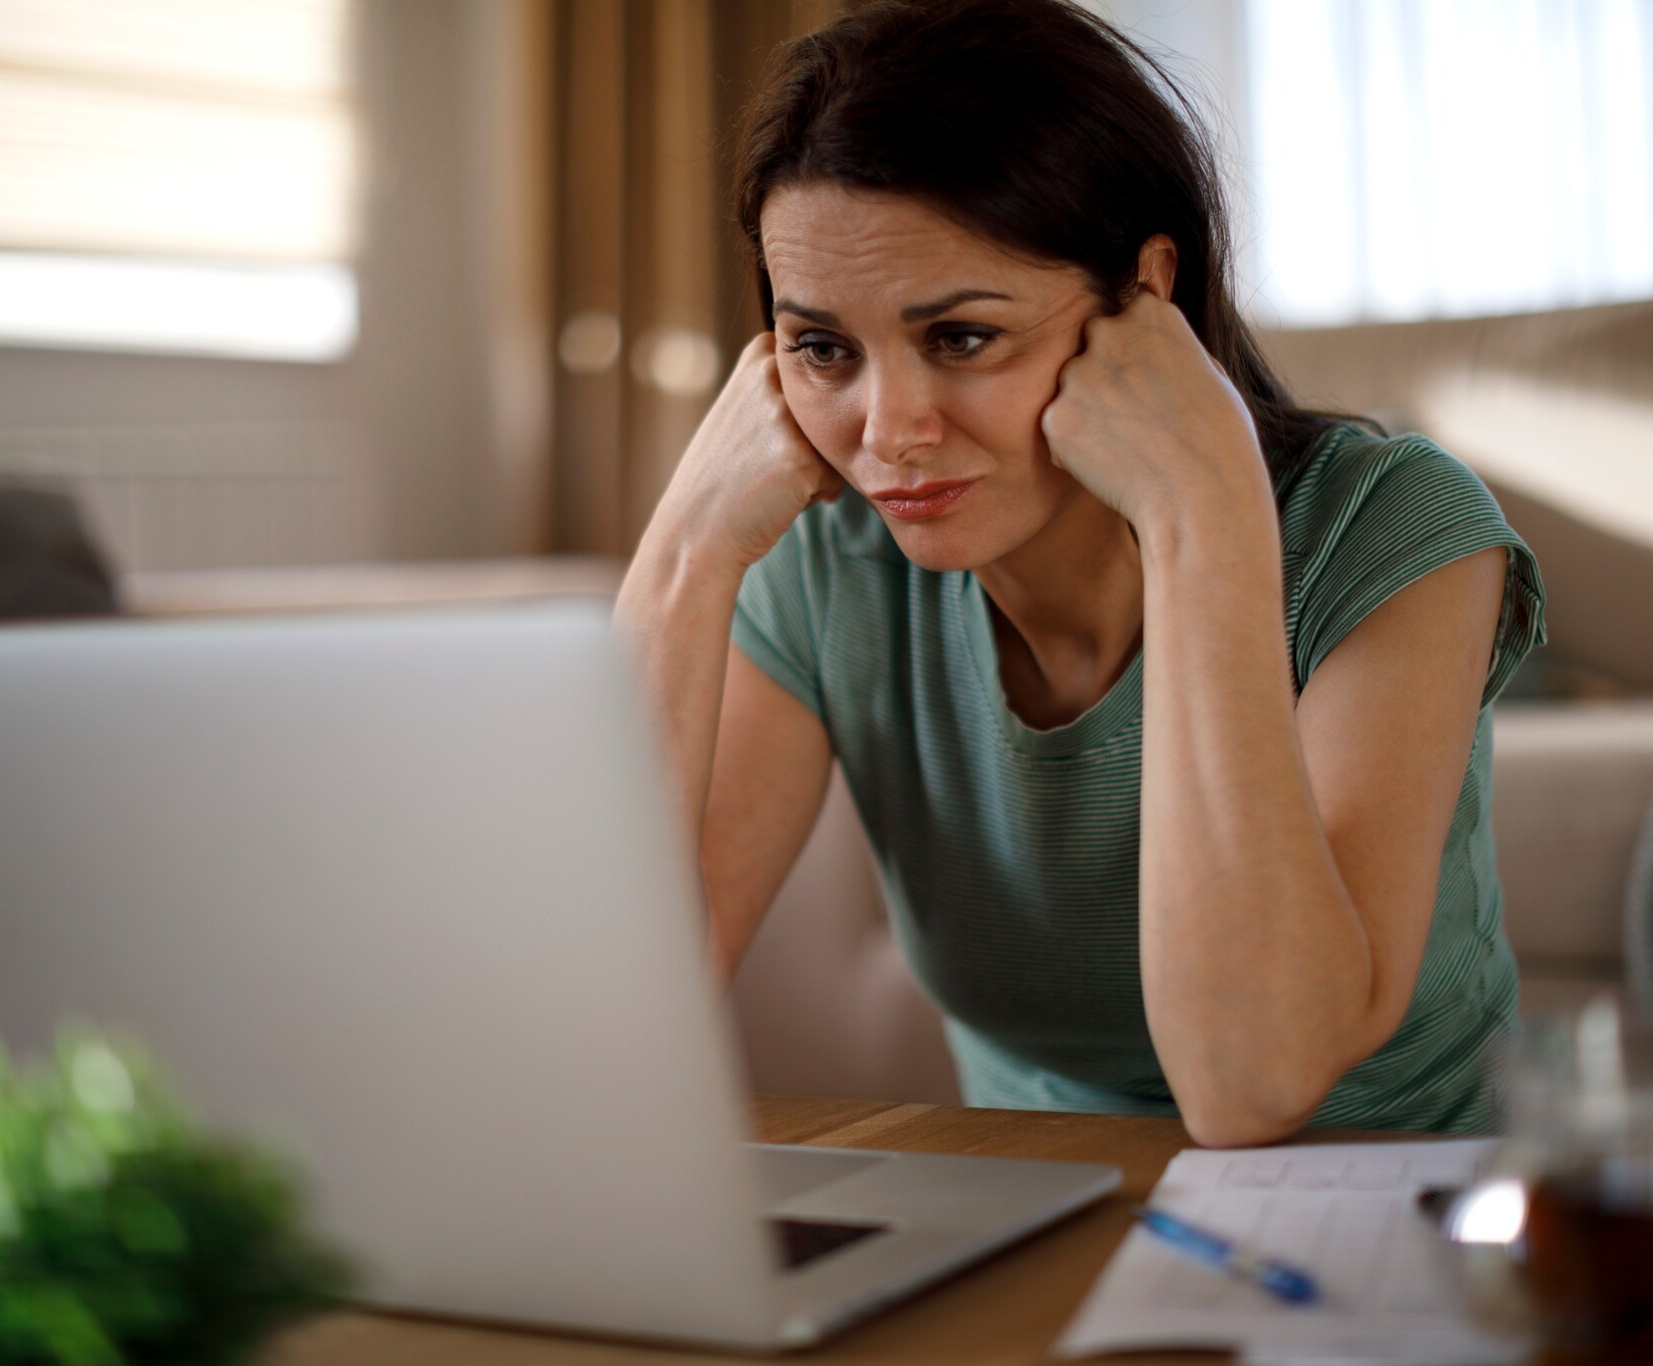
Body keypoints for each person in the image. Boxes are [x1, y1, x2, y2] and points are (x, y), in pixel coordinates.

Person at [612, 0, 1546, 1146]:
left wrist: (1198, 508)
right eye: (822, 348)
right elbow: (594, 1025)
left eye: (959, 338)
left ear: (1144, 292)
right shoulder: (827, 567)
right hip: (1043, 1213)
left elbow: (1253, 1082)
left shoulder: (1390, 526)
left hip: (1396, 1201)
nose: (887, 431)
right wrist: (683, 550)